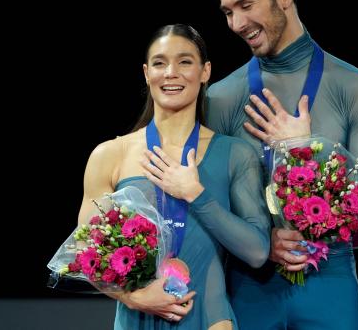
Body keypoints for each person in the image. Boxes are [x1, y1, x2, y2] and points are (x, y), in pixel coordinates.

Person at [206, 0, 358, 329]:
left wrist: (304, 149)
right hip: (248, 287)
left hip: (330, 285)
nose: (236, 24)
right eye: (228, 12)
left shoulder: (357, 88)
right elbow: (206, 206)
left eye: (246, 5)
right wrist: (260, 242)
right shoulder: (220, 98)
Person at [79, 24, 271, 330]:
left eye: (185, 62)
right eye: (159, 63)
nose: (171, 72)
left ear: (205, 71)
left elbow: (258, 252)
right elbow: (87, 255)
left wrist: (196, 194)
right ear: (146, 73)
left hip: (211, 321)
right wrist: (134, 297)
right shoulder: (110, 155)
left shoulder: (236, 155)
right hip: (136, 319)